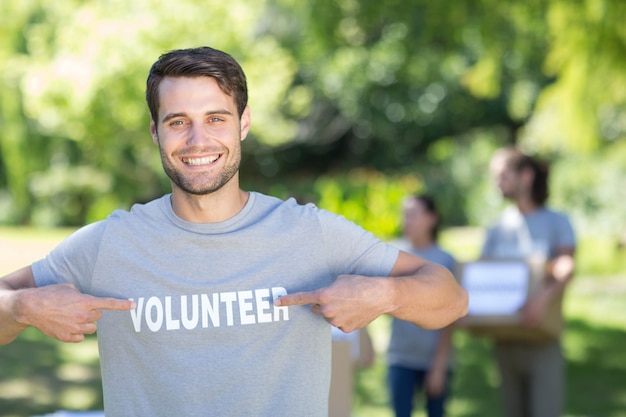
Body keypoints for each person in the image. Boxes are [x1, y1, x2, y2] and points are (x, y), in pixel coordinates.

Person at [0, 47, 468, 417]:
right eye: (178, 122)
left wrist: (384, 296)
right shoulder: (108, 244)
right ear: (155, 131)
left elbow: (449, 297)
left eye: (216, 119)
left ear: (243, 123)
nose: (198, 140)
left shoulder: (310, 233)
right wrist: (22, 307)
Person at [481, 146, 576, 417]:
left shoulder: (556, 222)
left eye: (502, 175)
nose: (497, 183)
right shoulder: (498, 228)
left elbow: (566, 266)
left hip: (542, 339)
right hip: (505, 341)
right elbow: (481, 276)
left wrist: (541, 300)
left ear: (526, 176)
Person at [387, 195, 457, 417]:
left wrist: (439, 365)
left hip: (435, 361)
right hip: (400, 358)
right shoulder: (392, 255)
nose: (407, 221)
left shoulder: (445, 261)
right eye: (405, 215)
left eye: (413, 215)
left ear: (431, 218)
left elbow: (451, 317)